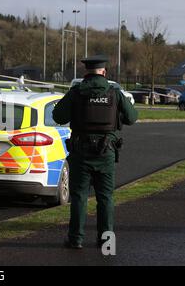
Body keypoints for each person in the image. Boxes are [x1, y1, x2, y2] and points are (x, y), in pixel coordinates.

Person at [52, 55, 138, 249]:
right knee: (106, 198)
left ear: (86, 73)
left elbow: (58, 116)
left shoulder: (76, 92)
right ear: (104, 72)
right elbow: (132, 118)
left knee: (79, 197)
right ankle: (106, 240)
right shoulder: (114, 93)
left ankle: (76, 239)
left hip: (80, 153)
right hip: (106, 152)